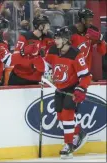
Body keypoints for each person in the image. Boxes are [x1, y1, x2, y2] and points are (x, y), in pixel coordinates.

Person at [35, 26, 92, 159]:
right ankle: (79, 132)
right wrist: (37, 57)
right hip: (59, 89)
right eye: (55, 37)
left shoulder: (76, 54)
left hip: (72, 89)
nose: (55, 40)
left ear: (66, 40)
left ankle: (69, 145)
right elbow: (46, 66)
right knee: (61, 116)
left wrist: (81, 88)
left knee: (67, 115)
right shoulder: (54, 50)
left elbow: (86, 76)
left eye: (58, 38)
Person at [8, 15, 54, 85]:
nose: (49, 28)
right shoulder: (25, 37)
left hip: (37, 79)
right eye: (47, 25)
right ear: (40, 26)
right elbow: (13, 59)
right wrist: (23, 52)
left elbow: (50, 57)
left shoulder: (49, 37)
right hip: (19, 78)